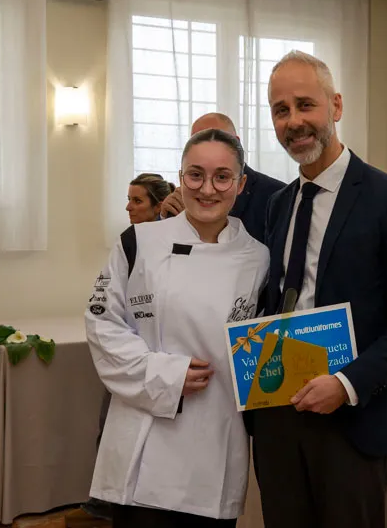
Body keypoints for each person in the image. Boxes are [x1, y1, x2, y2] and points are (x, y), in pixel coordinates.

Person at [249, 51, 387, 528]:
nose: (293, 121)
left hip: (355, 420)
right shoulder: (278, 205)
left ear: (335, 105)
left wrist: (346, 384)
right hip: (278, 415)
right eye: (280, 110)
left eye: (305, 105)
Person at [85, 128, 269, 528]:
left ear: (240, 184)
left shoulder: (259, 257)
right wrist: (165, 374)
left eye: (222, 177)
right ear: (180, 177)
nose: (208, 189)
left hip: (215, 445)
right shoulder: (138, 243)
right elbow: (102, 323)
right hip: (146, 440)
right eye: (195, 175)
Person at [83, 172, 177, 521]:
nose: (128, 207)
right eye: (128, 199)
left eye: (137, 201)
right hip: (129, 354)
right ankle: (107, 501)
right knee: (112, 423)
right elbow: (105, 307)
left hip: (165, 362)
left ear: (159, 206)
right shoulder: (129, 243)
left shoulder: (176, 246)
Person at [160, 113, 284, 242]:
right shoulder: (186, 191)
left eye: (218, 138)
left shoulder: (277, 196)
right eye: (197, 140)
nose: (207, 190)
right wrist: (165, 217)